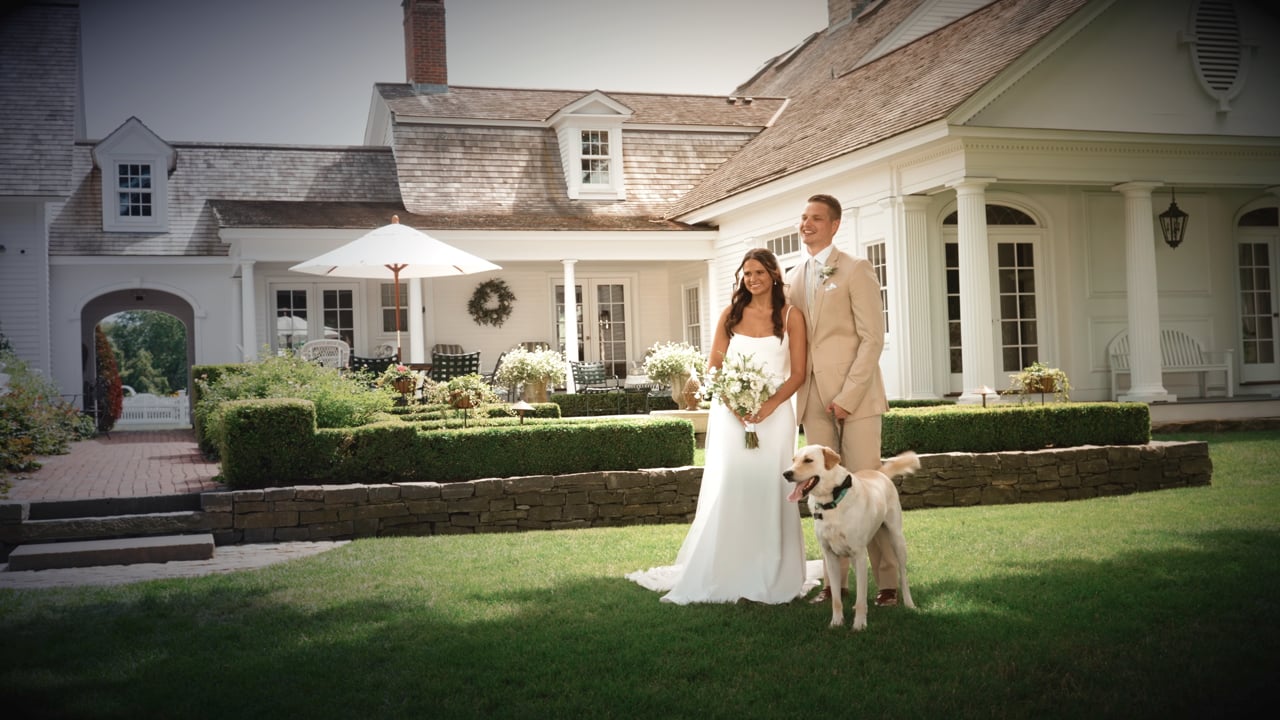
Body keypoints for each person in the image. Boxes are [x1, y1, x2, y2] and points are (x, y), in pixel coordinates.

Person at [627, 248, 810, 604]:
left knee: (771, 487)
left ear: (774, 274)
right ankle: (726, 568)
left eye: (759, 272)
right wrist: (736, 406)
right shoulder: (731, 313)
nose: (752, 279)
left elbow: (799, 372)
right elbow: (714, 367)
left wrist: (768, 407)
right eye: (747, 273)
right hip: (732, 417)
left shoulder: (791, 316)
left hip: (775, 419)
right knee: (733, 485)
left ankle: (773, 570)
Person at [784, 193, 895, 607]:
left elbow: (872, 338)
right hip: (812, 397)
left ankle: (887, 584)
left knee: (867, 489)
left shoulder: (856, 269)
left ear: (834, 225)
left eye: (816, 218)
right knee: (822, 494)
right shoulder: (795, 275)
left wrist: (848, 396)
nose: (807, 224)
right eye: (803, 217)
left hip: (858, 397)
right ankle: (835, 585)